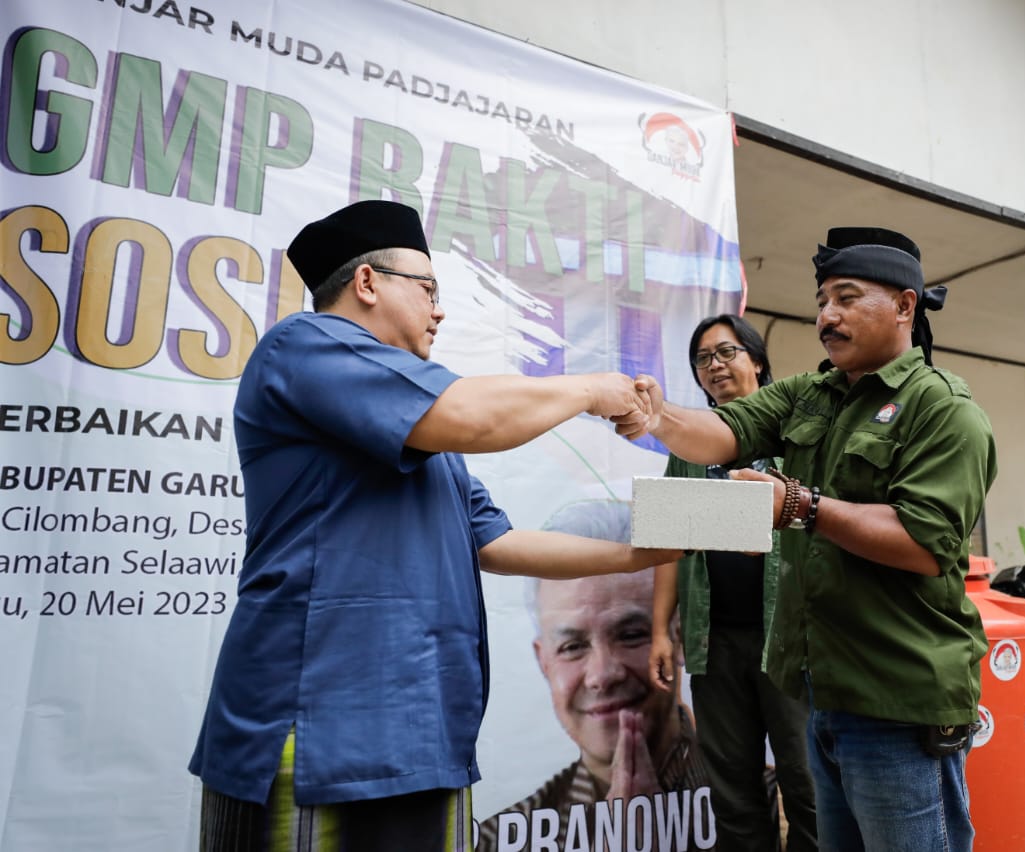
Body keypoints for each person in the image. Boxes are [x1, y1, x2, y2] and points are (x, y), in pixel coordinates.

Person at [187, 200, 683, 852]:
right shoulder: (303, 346)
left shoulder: (424, 432)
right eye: (428, 291)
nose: (440, 310)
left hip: (422, 736)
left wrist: (692, 528)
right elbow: (472, 417)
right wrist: (592, 390)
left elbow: (500, 543)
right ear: (367, 283)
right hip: (315, 734)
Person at [622, 227, 998, 852]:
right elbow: (720, 436)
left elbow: (926, 543)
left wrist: (798, 505)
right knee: (760, 808)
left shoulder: (943, 409)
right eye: (822, 300)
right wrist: (656, 417)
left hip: (896, 702)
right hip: (815, 685)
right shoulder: (810, 396)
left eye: (847, 298)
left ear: (905, 306)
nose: (827, 316)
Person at [649, 315, 818, 852]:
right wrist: (659, 630)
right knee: (733, 790)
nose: (715, 366)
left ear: (757, 360)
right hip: (713, 642)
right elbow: (668, 542)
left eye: (726, 352)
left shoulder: (798, 439)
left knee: (808, 783)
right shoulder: (690, 447)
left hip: (792, 642)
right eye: (703, 359)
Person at [477, 500, 716, 852]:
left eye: (632, 634)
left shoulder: (762, 803)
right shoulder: (494, 840)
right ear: (544, 662)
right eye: (572, 646)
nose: (602, 675)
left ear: (678, 636)